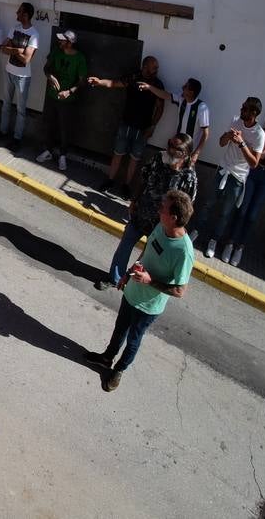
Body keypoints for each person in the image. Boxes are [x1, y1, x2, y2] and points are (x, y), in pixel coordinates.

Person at [84, 190, 195, 393]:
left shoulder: (184, 252)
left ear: (174, 217)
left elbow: (180, 290)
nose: (159, 208)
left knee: (133, 339)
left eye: (164, 207)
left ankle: (119, 370)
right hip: (132, 293)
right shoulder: (161, 227)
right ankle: (107, 358)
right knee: (119, 330)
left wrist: (150, 281)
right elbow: (147, 251)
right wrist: (128, 272)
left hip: (148, 306)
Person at [95, 133, 198, 291]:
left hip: (161, 225)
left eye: (175, 148)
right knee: (124, 246)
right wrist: (134, 201)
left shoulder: (189, 176)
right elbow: (144, 179)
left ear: (185, 154)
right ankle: (114, 278)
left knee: (147, 258)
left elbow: (186, 208)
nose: (169, 150)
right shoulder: (158, 158)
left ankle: (131, 283)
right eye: (169, 144)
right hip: (141, 214)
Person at [87, 56, 166, 196]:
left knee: (134, 159)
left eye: (157, 68)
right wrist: (99, 82)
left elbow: (160, 107)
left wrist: (153, 126)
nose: (156, 70)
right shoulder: (134, 77)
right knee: (118, 154)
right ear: (145, 66)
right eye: (154, 67)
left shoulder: (157, 84)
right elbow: (113, 83)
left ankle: (126, 185)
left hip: (143, 129)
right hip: (126, 123)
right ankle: (110, 180)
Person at [203, 97, 265, 260]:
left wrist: (242, 143)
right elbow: (221, 143)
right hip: (223, 170)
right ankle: (196, 231)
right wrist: (228, 136)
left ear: (254, 113)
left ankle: (213, 241)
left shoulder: (259, 134)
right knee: (207, 204)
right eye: (243, 106)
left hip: (238, 178)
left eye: (245, 108)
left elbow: (254, 163)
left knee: (225, 214)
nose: (241, 109)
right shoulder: (235, 120)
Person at [218, 115, 265, 267]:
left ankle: (240, 247)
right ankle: (230, 243)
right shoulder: (263, 135)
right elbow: (261, 156)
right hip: (253, 173)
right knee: (242, 210)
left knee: (252, 215)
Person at [37, 29, 87, 170]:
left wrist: (69, 92)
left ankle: (63, 155)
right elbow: (46, 68)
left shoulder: (79, 58)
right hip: (52, 96)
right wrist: (50, 77)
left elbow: (82, 81)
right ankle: (48, 150)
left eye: (62, 40)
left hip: (68, 100)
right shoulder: (56, 52)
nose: (59, 42)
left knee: (65, 128)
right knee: (49, 124)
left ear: (70, 43)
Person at [0, 2, 40, 149]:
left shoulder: (34, 34)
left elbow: (27, 59)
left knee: (21, 110)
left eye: (20, 12)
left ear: (26, 15)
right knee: (6, 104)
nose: (16, 13)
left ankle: (17, 138)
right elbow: (3, 48)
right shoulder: (14, 28)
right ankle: (3, 132)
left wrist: (13, 50)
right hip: (9, 71)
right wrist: (19, 50)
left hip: (22, 77)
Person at [145, 77, 211, 168]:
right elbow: (165, 95)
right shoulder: (181, 100)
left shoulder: (201, 107)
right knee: (169, 171)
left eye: (185, 87)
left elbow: (206, 133)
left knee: (182, 176)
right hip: (176, 147)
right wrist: (149, 87)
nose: (182, 87)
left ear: (191, 92)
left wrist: (196, 153)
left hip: (188, 152)